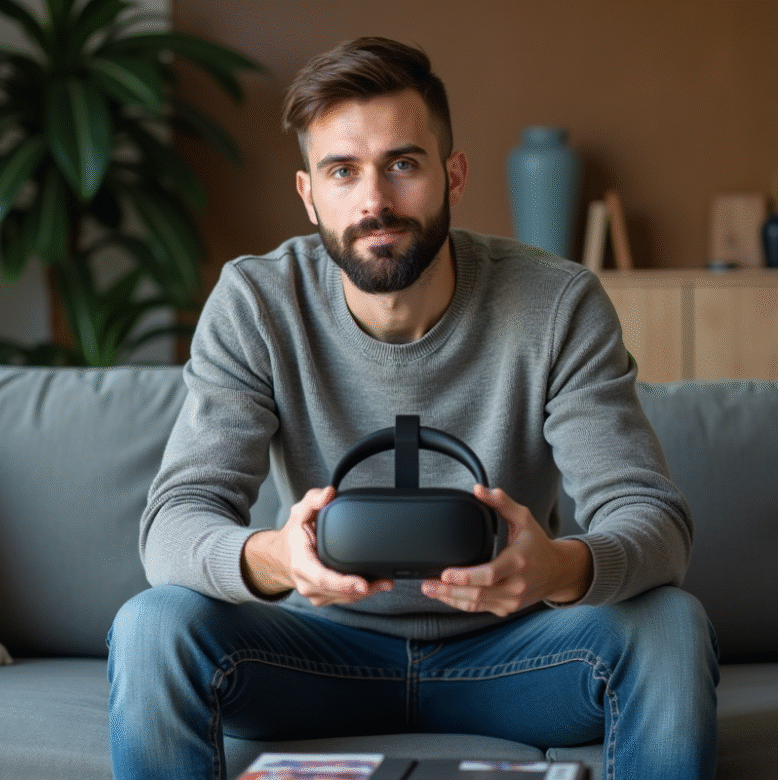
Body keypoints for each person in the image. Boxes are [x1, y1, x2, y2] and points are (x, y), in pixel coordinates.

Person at [107, 36, 718, 780]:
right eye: (342, 171)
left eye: (403, 163)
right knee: (152, 625)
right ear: (309, 196)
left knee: (672, 625)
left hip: (515, 655)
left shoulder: (558, 305)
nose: (374, 200)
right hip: (314, 658)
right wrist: (279, 558)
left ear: (453, 175)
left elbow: (653, 520)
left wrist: (556, 568)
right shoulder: (257, 304)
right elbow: (174, 522)